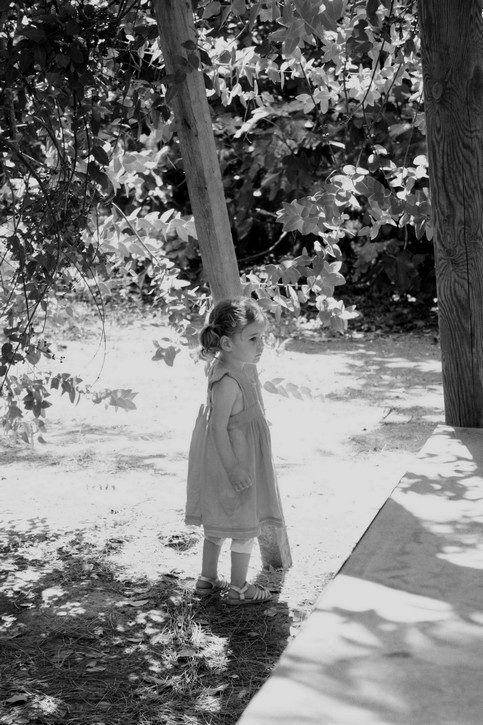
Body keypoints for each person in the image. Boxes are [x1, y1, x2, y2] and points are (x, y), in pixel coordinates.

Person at [185, 297, 285, 605]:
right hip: (234, 462)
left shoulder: (232, 368)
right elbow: (218, 428)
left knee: (218, 520)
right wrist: (235, 469)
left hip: (230, 457)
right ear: (227, 343)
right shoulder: (228, 381)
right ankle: (239, 588)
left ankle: (207, 579)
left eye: (262, 337)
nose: (261, 345)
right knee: (244, 525)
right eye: (253, 338)